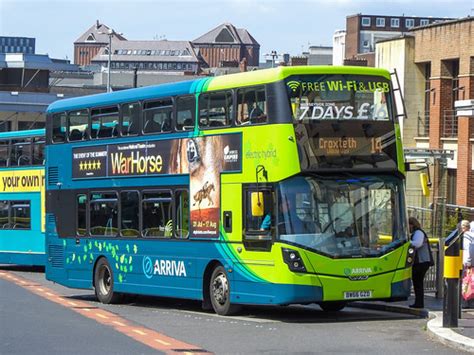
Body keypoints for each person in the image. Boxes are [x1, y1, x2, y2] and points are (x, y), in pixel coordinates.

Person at [408, 217, 432, 309]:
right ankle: (418, 302)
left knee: (417, 282)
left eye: (409, 225)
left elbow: (417, 244)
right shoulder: (418, 232)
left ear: (412, 224)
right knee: (418, 282)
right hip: (422, 261)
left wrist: (406, 242)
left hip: (421, 261)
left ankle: (419, 303)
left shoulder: (418, 233)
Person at [461, 220, 474, 308]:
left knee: (466, 282)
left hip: (467, 263)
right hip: (472, 262)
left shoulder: (466, 236)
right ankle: (471, 302)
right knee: (471, 282)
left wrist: (468, 262)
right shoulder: (472, 235)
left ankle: (465, 302)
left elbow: (469, 249)